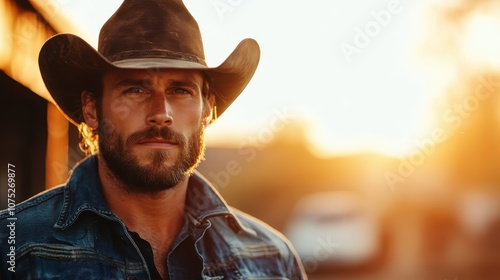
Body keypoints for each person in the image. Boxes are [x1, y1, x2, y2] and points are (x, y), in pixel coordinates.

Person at [0, 0, 307, 279]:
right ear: (92, 109)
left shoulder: (272, 259)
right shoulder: (14, 248)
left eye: (180, 90)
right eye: (135, 89)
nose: (161, 114)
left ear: (207, 110)